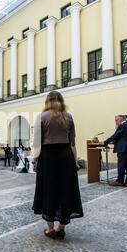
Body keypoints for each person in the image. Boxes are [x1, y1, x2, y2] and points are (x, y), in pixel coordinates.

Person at [33, 91, 83, 240]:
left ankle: (50, 229)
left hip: (48, 157)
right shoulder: (68, 117)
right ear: (62, 101)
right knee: (66, 190)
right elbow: (73, 143)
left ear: (47, 101)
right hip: (66, 156)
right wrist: (74, 162)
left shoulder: (42, 117)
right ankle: (61, 228)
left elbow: (36, 144)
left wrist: (35, 160)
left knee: (48, 190)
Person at [101, 115, 127, 187]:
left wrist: (105, 142)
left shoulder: (122, 126)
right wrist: (113, 142)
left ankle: (120, 181)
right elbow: (123, 137)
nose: (115, 122)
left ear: (120, 119)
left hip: (123, 149)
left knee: (121, 165)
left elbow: (115, 135)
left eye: (116, 120)